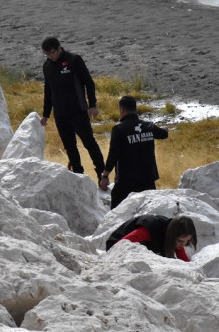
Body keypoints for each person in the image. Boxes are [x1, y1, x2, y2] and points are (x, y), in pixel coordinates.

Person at [40, 37, 105, 180]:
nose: (50, 57)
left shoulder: (73, 60)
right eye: (47, 55)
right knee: (70, 146)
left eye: (52, 53)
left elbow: (89, 82)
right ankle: (78, 175)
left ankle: (102, 173)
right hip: (60, 113)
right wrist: (45, 114)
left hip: (78, 110)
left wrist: (92, 104)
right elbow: (48, 91)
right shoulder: (47, 66)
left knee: (89, 143)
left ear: (59, 49)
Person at [99, 95, 168, 209]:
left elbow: (113, 155)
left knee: (116, 213)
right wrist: (165, 128)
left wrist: (105, 176)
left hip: (126, 182)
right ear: (135, 109)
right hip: (148, 179)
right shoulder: (148, 126)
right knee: (149, 210)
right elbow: (163, 134)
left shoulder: (119, 129)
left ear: (122, 110)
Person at [106, 215, 196, 262]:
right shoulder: (149, 230)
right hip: (115, 247)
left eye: (187, 242)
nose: (183, 245)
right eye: (180, 241)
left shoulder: (173, 234)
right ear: (173, 236)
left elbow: (183, 258)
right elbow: (121, 244)